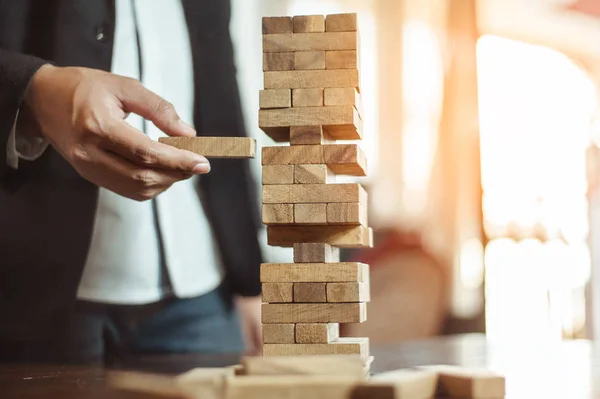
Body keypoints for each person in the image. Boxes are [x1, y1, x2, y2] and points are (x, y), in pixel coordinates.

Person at [0, 0, 264, 363]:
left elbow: (221, 96)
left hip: (203, 293)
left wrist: (252, 280)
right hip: (33, 290)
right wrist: (36, 88)